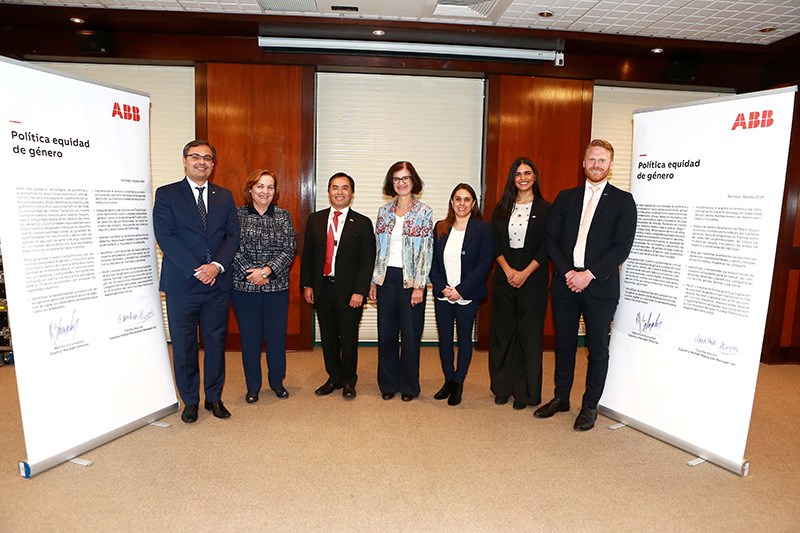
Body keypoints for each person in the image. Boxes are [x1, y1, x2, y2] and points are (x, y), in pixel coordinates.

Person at [536, 139, 637, 431]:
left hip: (600, 287)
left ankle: (590, 406)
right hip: (565, 284)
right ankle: (561, 398)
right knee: (564, 345)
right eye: (591, 159)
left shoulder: (623, 201)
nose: (596, 165)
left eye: (602, 160)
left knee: (597, 349)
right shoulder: (565, 198)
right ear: (583, 163)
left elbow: (621, 247)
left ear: (611, 165)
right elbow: (551, 239)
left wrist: (588, 274)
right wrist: (569, 272)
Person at [153, 140, 240, 423]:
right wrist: (197, 269)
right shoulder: (166, 194)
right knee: (184, 345)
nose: (201, 162)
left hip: (217, 284)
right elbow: (165, 236)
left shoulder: (224, 196)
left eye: (207, 158)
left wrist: (215, 266)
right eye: (195, 157)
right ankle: (190, 400)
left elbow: (232, 235)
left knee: (215, 343)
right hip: (182, 285)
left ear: (213, 164)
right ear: (185, 160)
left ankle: (213, 397)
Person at [300, 172, 375, 400]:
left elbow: (367, 260)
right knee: (329, 336)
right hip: (322, 288)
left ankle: (349, 380)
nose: (339, 192)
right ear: (328, 192)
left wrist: (360, 291)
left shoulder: (362, 223)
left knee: (349, 337)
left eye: (344, 188)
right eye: (335, 187)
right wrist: (307, 285)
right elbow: (308, 254)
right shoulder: (315, 219)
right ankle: (334, 377)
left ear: (352, 193)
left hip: (350, 292)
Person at [489, 157, 552, 411]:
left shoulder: (546, 209)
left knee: (529, 336)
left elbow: (547, 246)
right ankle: (502, 388)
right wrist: (508, 270)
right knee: (503, 334)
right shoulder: (502, 208)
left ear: (534, 177)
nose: (523, 178)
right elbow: (494, 243)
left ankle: (526, 393)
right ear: (512, 179)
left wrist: (524, 273)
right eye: (518, 174)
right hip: (505, 276)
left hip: (533, 278)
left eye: (527, 173)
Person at [369, 161, 434, 402]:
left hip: (411, 282)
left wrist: (419, 285)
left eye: (406, 178)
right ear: (391, 182)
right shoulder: (383, 212)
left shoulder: (424, 212)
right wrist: (373, 280)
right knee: (386, 335)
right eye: (396, 178)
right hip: (386, 279)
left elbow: (426, 251)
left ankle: (409, 386)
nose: (401, 183)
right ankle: (388, 383)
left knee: (410, 336)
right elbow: (377, 249)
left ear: (413, 181)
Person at [231, 170, 296, 404]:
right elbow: (230, 247)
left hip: (276, 288)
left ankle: (277, 383)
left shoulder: (283, 216)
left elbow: (289, 249)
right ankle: (253, 387)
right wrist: (252, 273)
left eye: (270, 187)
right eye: (260, 186)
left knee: (276, 338)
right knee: (250, 339)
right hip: (244, 289)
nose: (264, 192)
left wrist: (266, 271)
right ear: (250, 189)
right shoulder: (236, 215)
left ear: (275, 192)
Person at [429, 183, 493, 406]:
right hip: (443, 295)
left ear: (473, 203)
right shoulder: (440, 227)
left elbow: (484, 264)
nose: (462, 203)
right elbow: (433, 263)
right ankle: (448, 379)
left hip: (467, 295)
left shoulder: (483, 229)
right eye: (458, 199)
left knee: (464, 339)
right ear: (452, 202)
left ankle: (458, 382)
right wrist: (442, 287)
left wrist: (460, 290)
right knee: (445, 339)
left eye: (467, 199)